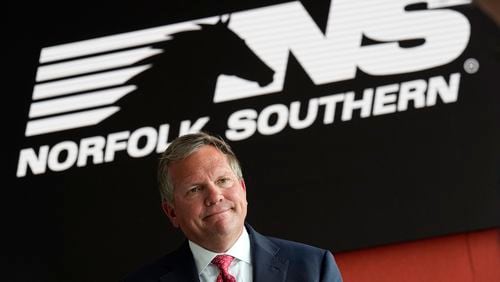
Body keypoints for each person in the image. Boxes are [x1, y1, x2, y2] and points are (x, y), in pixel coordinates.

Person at [123, 132, 343, 282]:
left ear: (243, 188)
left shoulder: (314, 268)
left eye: (222, 181)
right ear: (171, 212)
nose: (215, 196)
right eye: (195, 189)